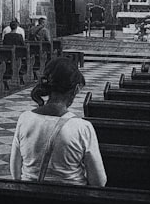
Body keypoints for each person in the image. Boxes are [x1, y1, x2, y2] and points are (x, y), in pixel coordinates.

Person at [10, 57, 107, 187]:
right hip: (69, 202)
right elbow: (99, 182)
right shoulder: (82, 127)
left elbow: (15, 172)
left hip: (30, 200)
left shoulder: (24, 119)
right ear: (76, 88)